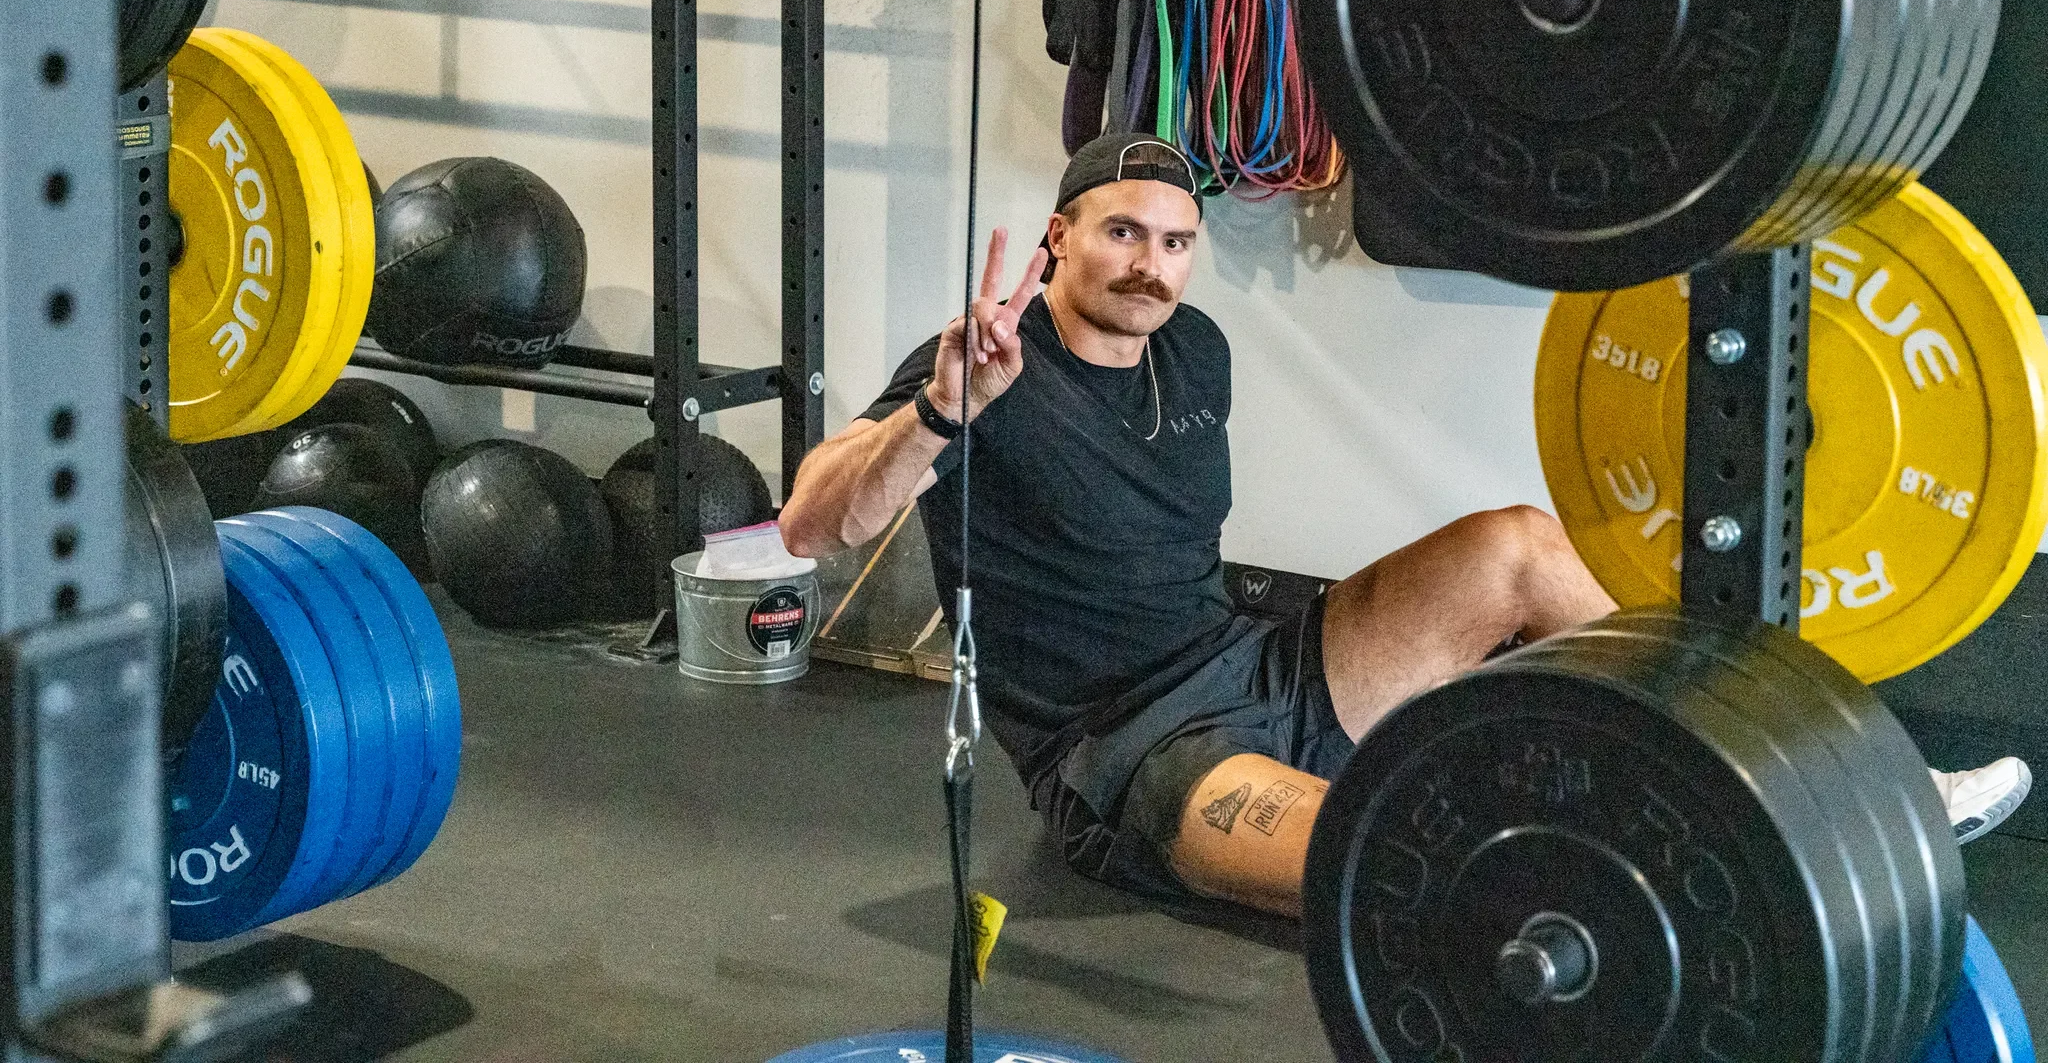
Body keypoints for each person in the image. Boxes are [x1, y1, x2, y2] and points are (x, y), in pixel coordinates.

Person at [778, 131, 2033, 917]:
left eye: (1174, 242)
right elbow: (810, 523)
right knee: (1386, 859)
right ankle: (1702, 879)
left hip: (1255, 664)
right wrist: (939, 416)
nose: (1150, 266)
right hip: (1126, 759)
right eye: (1119, 235)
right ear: (1058, 239)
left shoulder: (1196, 348)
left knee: (1517, 543)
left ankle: (1842, 782)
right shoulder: (981, 367)